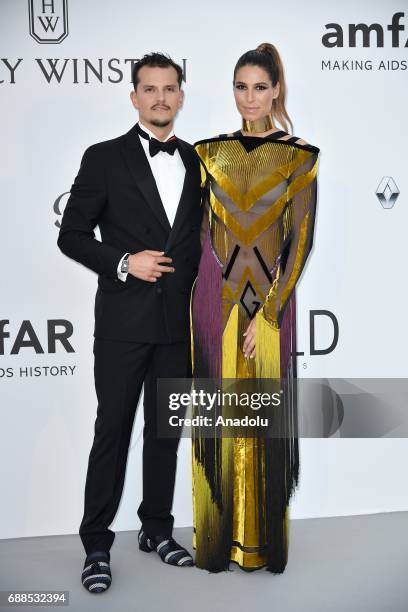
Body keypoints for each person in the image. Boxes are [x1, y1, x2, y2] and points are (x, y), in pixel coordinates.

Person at [57, 52, 203, 594]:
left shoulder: (197, 161)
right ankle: (96, 543)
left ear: (181, 95)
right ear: (135, 96)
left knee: (165, 436)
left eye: (170, 89)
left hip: (178, 326)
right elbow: (71, 235)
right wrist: (123, 262)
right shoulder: (104, 158)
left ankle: (157, 529)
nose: (161, 98)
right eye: (150, 89)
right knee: (111, 433)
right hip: (122, 323)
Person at [190, 43, 320, 573]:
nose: (250, 97)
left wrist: (266, 315)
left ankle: (261, 545)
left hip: (270, 306)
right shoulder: (208, 153)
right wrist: (218, 312)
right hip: (214, 308)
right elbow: (202, 235)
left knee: (262, 426)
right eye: (241, 86)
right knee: (220, 423)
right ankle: (218, 543)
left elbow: (301, 243)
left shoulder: (300, 156)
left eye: (260, 87)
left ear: (276, 90)